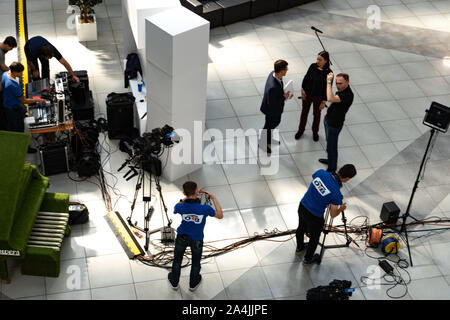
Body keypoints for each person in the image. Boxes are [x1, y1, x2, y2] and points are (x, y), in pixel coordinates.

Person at [296, 164, 357, 265]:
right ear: (347, 178)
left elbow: (316, 182)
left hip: (303, 205)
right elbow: (333, 214)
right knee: (314, 238)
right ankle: (308, 259)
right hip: (315, 216)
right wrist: (341, 208)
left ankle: (299, 248)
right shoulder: (336, 193)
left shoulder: (320, 173)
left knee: (301, 228)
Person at [168, 181, 223, 292]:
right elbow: (220, 215)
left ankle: (174, 282)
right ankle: (193, 284)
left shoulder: (180, 207)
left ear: (183, 192)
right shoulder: (205, 209)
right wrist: (213, 198)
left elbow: (177, 207)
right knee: (196, 262)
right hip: (197, 239)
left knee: (177, 260)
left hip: (181, 237)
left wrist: (186, 197)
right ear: (197, 191)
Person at [1, 62, 46, 152]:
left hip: (6, 105)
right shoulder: (13, 85)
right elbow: (24, 101)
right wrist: (38, 100)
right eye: (20, 73)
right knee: (19, 130)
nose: (21, 74)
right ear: (14, 72)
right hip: (13, 109)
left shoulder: (5, 74)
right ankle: (23, 148)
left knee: (11, 127)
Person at [318, 73, 354, 173]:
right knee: (329, 143)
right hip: (329, 121)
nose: (338, 86)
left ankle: (332, 168)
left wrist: (329, 82)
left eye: (340, 83)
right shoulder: (341, 91)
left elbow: (330, 98)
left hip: (334, 125)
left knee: (332, 146)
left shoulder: (347, 95)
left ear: (347, 82)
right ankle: (330, 161)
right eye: (337, 83)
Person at [295, 51, 332, 142]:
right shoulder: (313, 66)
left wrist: (324, 101)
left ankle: (315, 132)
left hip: (319, 97)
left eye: (320, 60)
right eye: (317, 59)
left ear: (326, 61)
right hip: (307, 95)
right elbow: (306, 78)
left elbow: (328, 88)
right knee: (304, 112)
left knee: (317, 114)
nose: (317, 61)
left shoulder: (329, 73)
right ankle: (300, 130)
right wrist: (302, 90)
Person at [260, 59, 293, 154]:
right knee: (269, 126)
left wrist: (284, 94)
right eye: (286, 69)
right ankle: (262, 144)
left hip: (275, 108)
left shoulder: (273, 74)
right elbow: (273, 103)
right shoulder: (272, 87)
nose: (287, 70)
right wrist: (284, 97)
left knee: (274, 124)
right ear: (281, 70)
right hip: (272, 110)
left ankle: (268, 139)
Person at [0, 36, 18, 130]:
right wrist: (12, 70)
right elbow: (3, 67)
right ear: (6, 44)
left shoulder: (2, 50)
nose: (10, 50)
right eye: (10, 48)